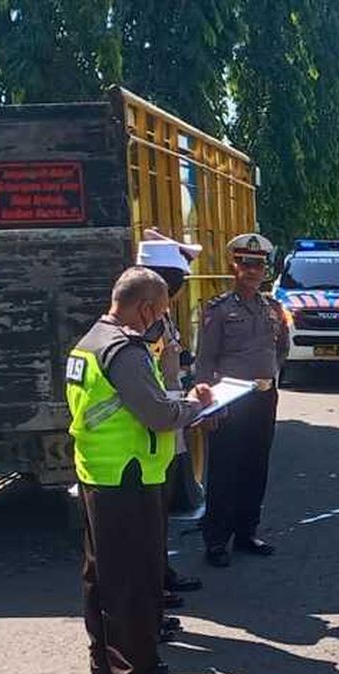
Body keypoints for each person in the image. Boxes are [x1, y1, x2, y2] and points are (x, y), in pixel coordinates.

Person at [67, 267, 212, 674]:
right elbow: (158, 415)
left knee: (102, 576)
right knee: (135, 579)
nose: (161, 321)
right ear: (146, 308)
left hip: (99, 472)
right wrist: (195, 407)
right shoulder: (125, 351)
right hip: (130, 476)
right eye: (162, 312)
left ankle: (105, 665)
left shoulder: (89, 343)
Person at [195, 233, 289, 568]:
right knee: (224, 470)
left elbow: (282, 348)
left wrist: (270, 375)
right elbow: (205, 360)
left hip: (263, 397)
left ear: (265, 269)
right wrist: (208, 404)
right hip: (231, 399)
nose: (251, 271)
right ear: (233, 266)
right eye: (245, 264)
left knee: (255, 467)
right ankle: (217, 540)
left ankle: (247, 532)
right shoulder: (218, 310)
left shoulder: (273, 308)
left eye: (258, 265)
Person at [137, 230, 205, 604]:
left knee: (159, 512)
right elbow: (152, 379)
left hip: (168, 423)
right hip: (154, 426)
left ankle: (161, 573)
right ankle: (153, 586)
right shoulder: (145, 324)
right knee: (150, 515)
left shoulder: (158, 318)